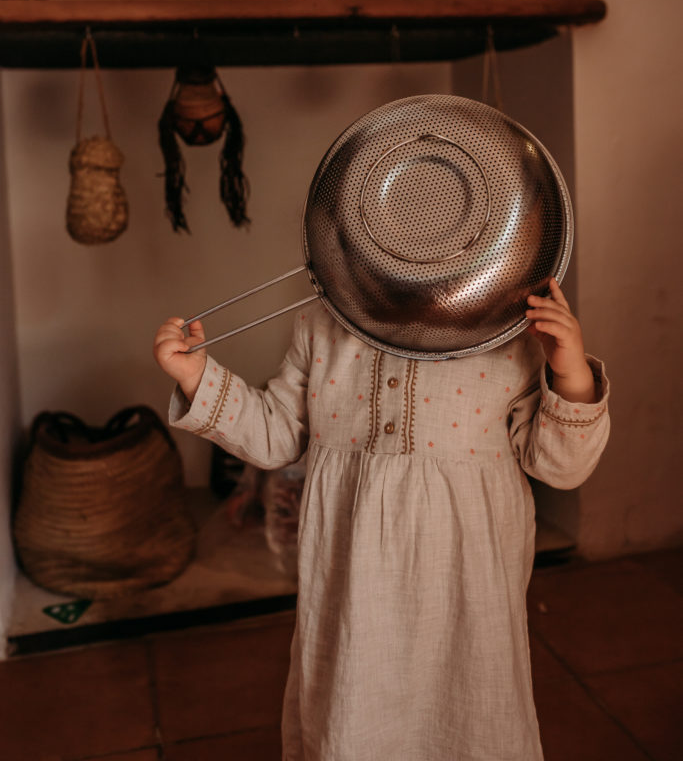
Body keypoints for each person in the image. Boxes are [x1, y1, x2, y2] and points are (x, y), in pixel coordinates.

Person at [153, 276, 609, 760]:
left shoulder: (510, 328)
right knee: (354, 704)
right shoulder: (322, 320)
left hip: (467, 592)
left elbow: (562, 465)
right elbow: (277, 435)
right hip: (353, 586)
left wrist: (570, 371)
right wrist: (197, 378)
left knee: (470, 707)